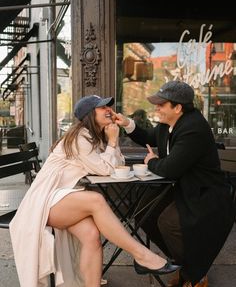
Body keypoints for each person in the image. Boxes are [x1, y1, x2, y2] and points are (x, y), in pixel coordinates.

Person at [9, 95, 179, 287]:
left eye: (108, 106)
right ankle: (142, 255)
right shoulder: (80, 137)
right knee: (96, 200)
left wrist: (111, 141)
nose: (108, 109)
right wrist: (113, 142)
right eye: (102, 107)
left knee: (91, 236)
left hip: (66, 199)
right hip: (44, 201)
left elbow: (116, 165)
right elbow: (107, 169)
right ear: (90, 114)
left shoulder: (95, 137)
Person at [113, 81, 235, 287]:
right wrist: (127, 123)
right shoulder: (167, 124)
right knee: (144, 214)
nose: (157, 108)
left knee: (168, 222)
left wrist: (151, 161)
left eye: (162, 104)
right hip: (182, 188)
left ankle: (196, 275)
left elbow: (170, 168)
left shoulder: (193, 128)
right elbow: (147, 137)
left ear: (177, 107)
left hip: (205, 194)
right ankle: (185, 266)